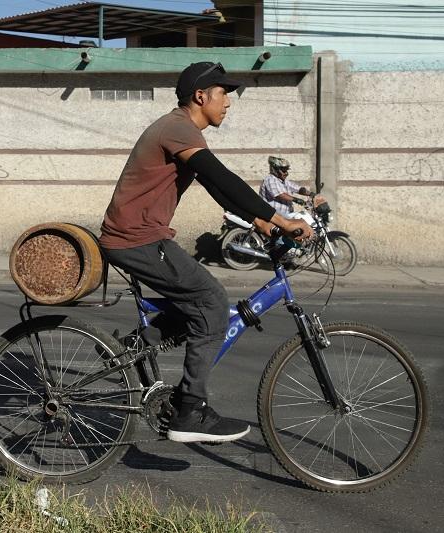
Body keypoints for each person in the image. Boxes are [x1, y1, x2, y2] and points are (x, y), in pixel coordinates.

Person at [99, 62, 313, 444]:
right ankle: (190, 412)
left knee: (198, 308)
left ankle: (131, 346)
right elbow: (220, 177)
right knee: (212, 302)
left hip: (140, 237)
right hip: (137, 240)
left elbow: (216, 188)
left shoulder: (182, 130)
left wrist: (258, 221)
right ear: (201, 95)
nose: (228, 102)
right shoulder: (177, 127)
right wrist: (280, 220)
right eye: (223, 93)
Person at [259, 156, 324, 217]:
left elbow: (298, 189)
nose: (286, 173)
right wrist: (298, 200)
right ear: (275, 170)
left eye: (287, 170)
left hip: (286, 215)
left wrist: (312, 194)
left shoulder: (284, 181)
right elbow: (279, 194)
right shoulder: (270, 179)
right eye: (284, 171)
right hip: (274, 217)